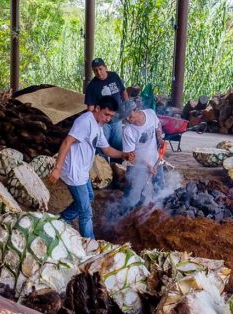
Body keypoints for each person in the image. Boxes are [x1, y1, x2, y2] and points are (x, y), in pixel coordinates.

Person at [47, 96, 126, 239]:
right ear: (97, 108)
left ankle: (63, 220)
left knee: (89, 197)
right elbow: (66, 143)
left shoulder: (98, 125)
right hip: (74, 172)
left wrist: (123, 154)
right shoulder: (84, 122)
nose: (108, 119)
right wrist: (57, 169)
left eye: (111, 116)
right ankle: (91, 244)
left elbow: (107, 150)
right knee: (86, 212)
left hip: (82, 172)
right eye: (106, 114)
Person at [120, 99, 165, 211]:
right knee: (131, 196)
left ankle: (161, 213)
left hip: (155, 160)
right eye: (125, 117)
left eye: (129, 116)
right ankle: (122, 218)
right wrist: (147, 166)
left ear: (136, 110)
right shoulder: (127, 130)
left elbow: (157, 124)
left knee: (160, 189)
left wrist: (159, 136)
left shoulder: (150, 113)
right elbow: (130, 156)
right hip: (136, 165)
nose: (127, 120)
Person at [84, 58, 129, 152]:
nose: (99, 72)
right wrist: (95, 124)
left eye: (100, 69)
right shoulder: (92, 86)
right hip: (103, 122)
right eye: (95, 70)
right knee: (102, 147)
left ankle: (117, 165)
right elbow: (90, 109)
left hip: (117, 117)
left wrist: (127, 106)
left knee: (117, 144)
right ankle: (103, 165)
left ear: (105, 67)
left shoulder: (114, 76)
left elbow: (123, 91)